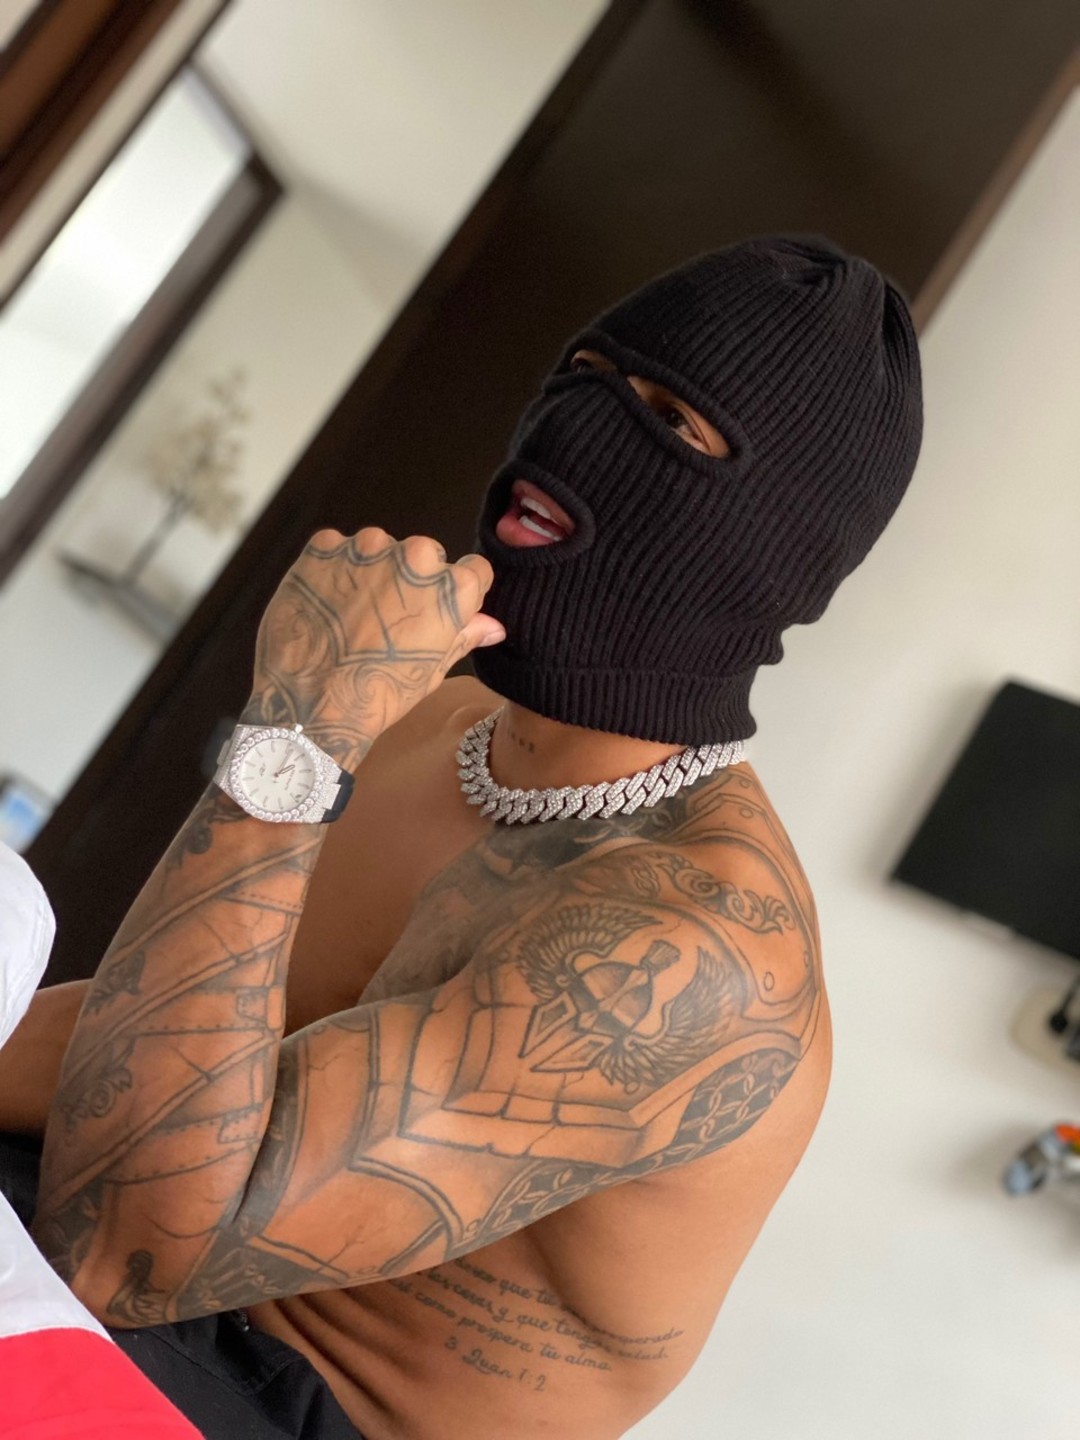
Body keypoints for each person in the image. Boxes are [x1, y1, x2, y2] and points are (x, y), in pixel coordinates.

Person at [0, 235, 922, 1440]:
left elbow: (123, 1246)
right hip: (124, 1232)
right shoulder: (435, 718)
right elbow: (147, 1042)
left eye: (668, 422)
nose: (576, 430)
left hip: (296, 1400)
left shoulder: (701, 952)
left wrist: (300, 728)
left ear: (774, 544)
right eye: (583, 375)